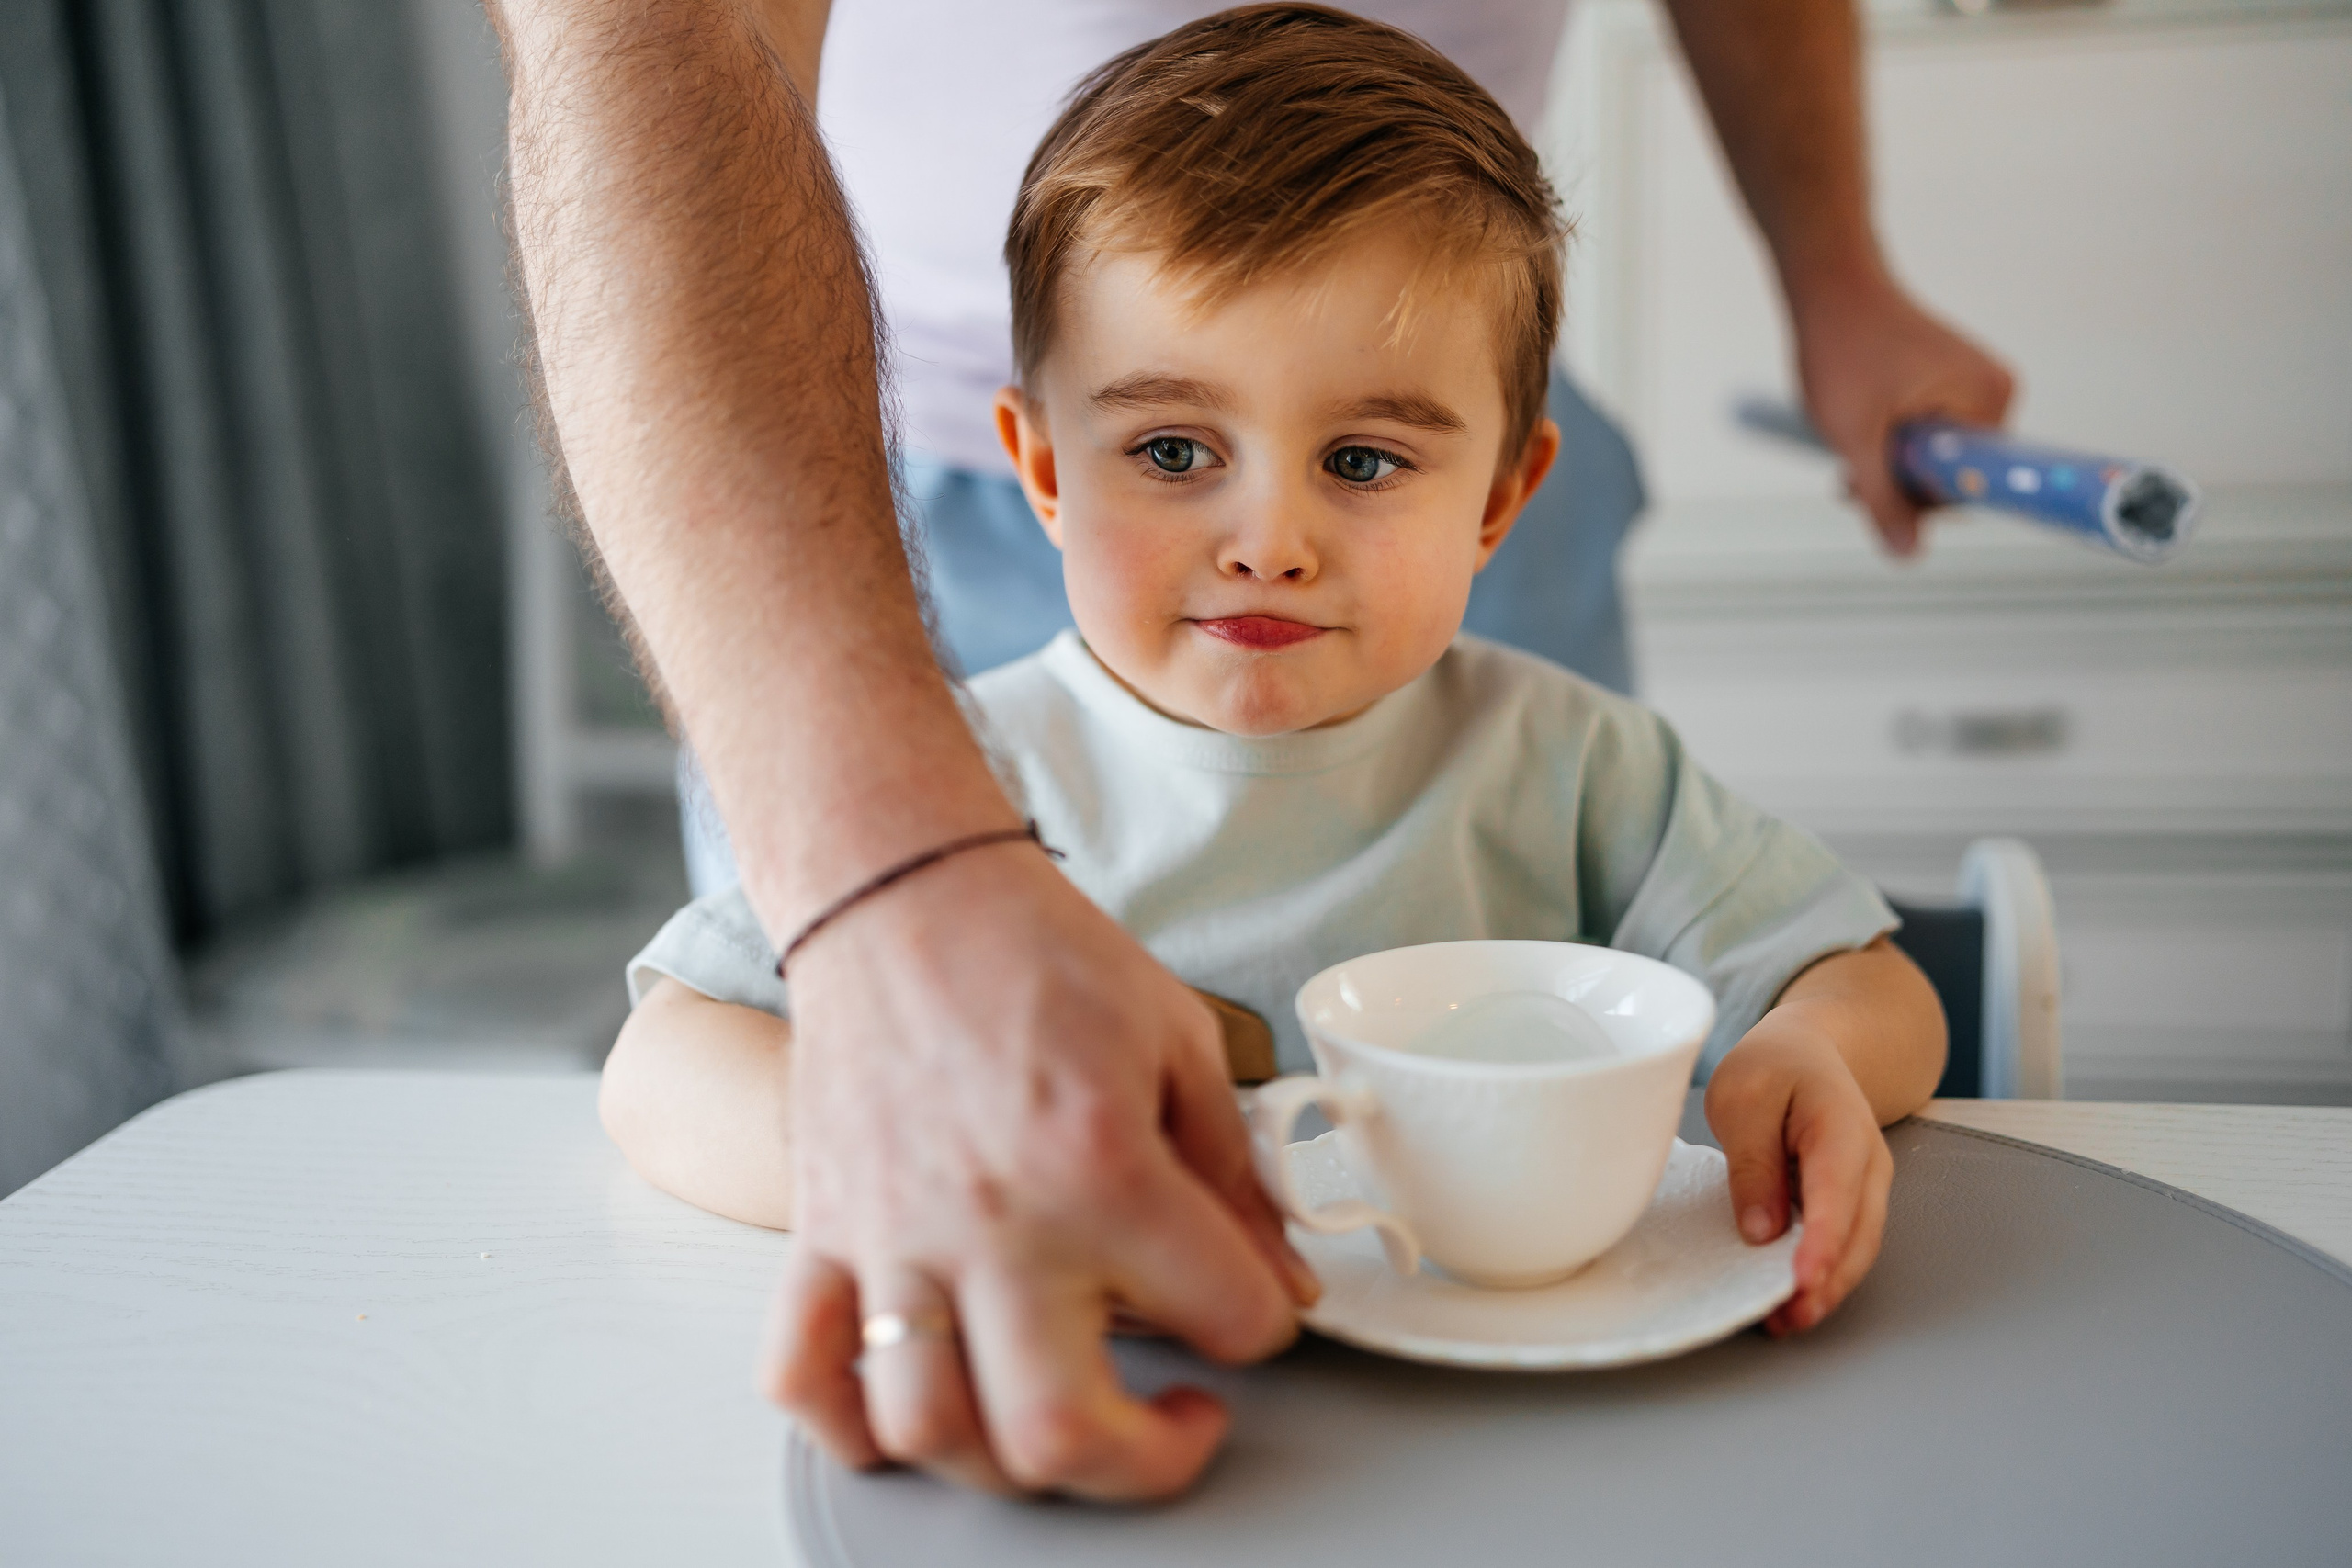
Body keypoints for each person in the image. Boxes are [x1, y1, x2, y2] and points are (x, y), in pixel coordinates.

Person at [490, 0, 2000, 1504]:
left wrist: (1807, 1054)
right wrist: (939, 1165)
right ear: (1044, 469)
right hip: (1107, 1437)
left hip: (1506, 1459)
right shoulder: (962, 777)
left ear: (1500, 497)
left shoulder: (1580, 765)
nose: (1268, 543)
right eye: (1170, 453)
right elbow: (659, 1072)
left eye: (1361, 462)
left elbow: (1869, 988)